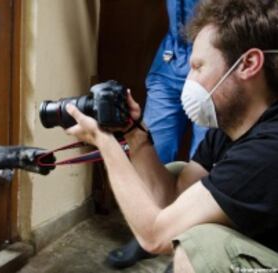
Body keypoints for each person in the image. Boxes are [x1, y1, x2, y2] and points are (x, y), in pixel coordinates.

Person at [63, 0, 278, 272]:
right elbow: (173, 200)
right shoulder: (227, 130)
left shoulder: (268, 149)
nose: (188, 80)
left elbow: (154, 237)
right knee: (179, 173)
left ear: (248, 64)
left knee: (200, 247)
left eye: (198, 67)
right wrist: (134, 133)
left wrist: (105, 142)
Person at [107, 0, 207, 268]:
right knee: (152, 150)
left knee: (205, 159)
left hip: (215, 61)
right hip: (170, 59)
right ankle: (147, 235)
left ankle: (190, 245)